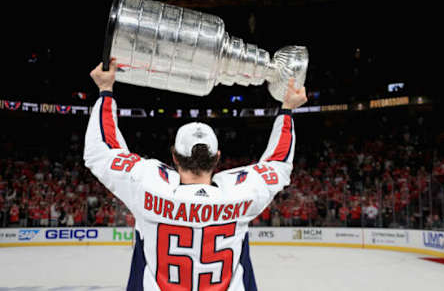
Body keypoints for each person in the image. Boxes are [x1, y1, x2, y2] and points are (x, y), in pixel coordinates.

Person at [84, 59, 307, 291]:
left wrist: (105, 90)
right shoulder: (241, 193)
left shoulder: (147, 186)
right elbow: (278, 162)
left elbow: (101, 151)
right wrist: (287, 109)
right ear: (218, 157)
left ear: (174, 156)